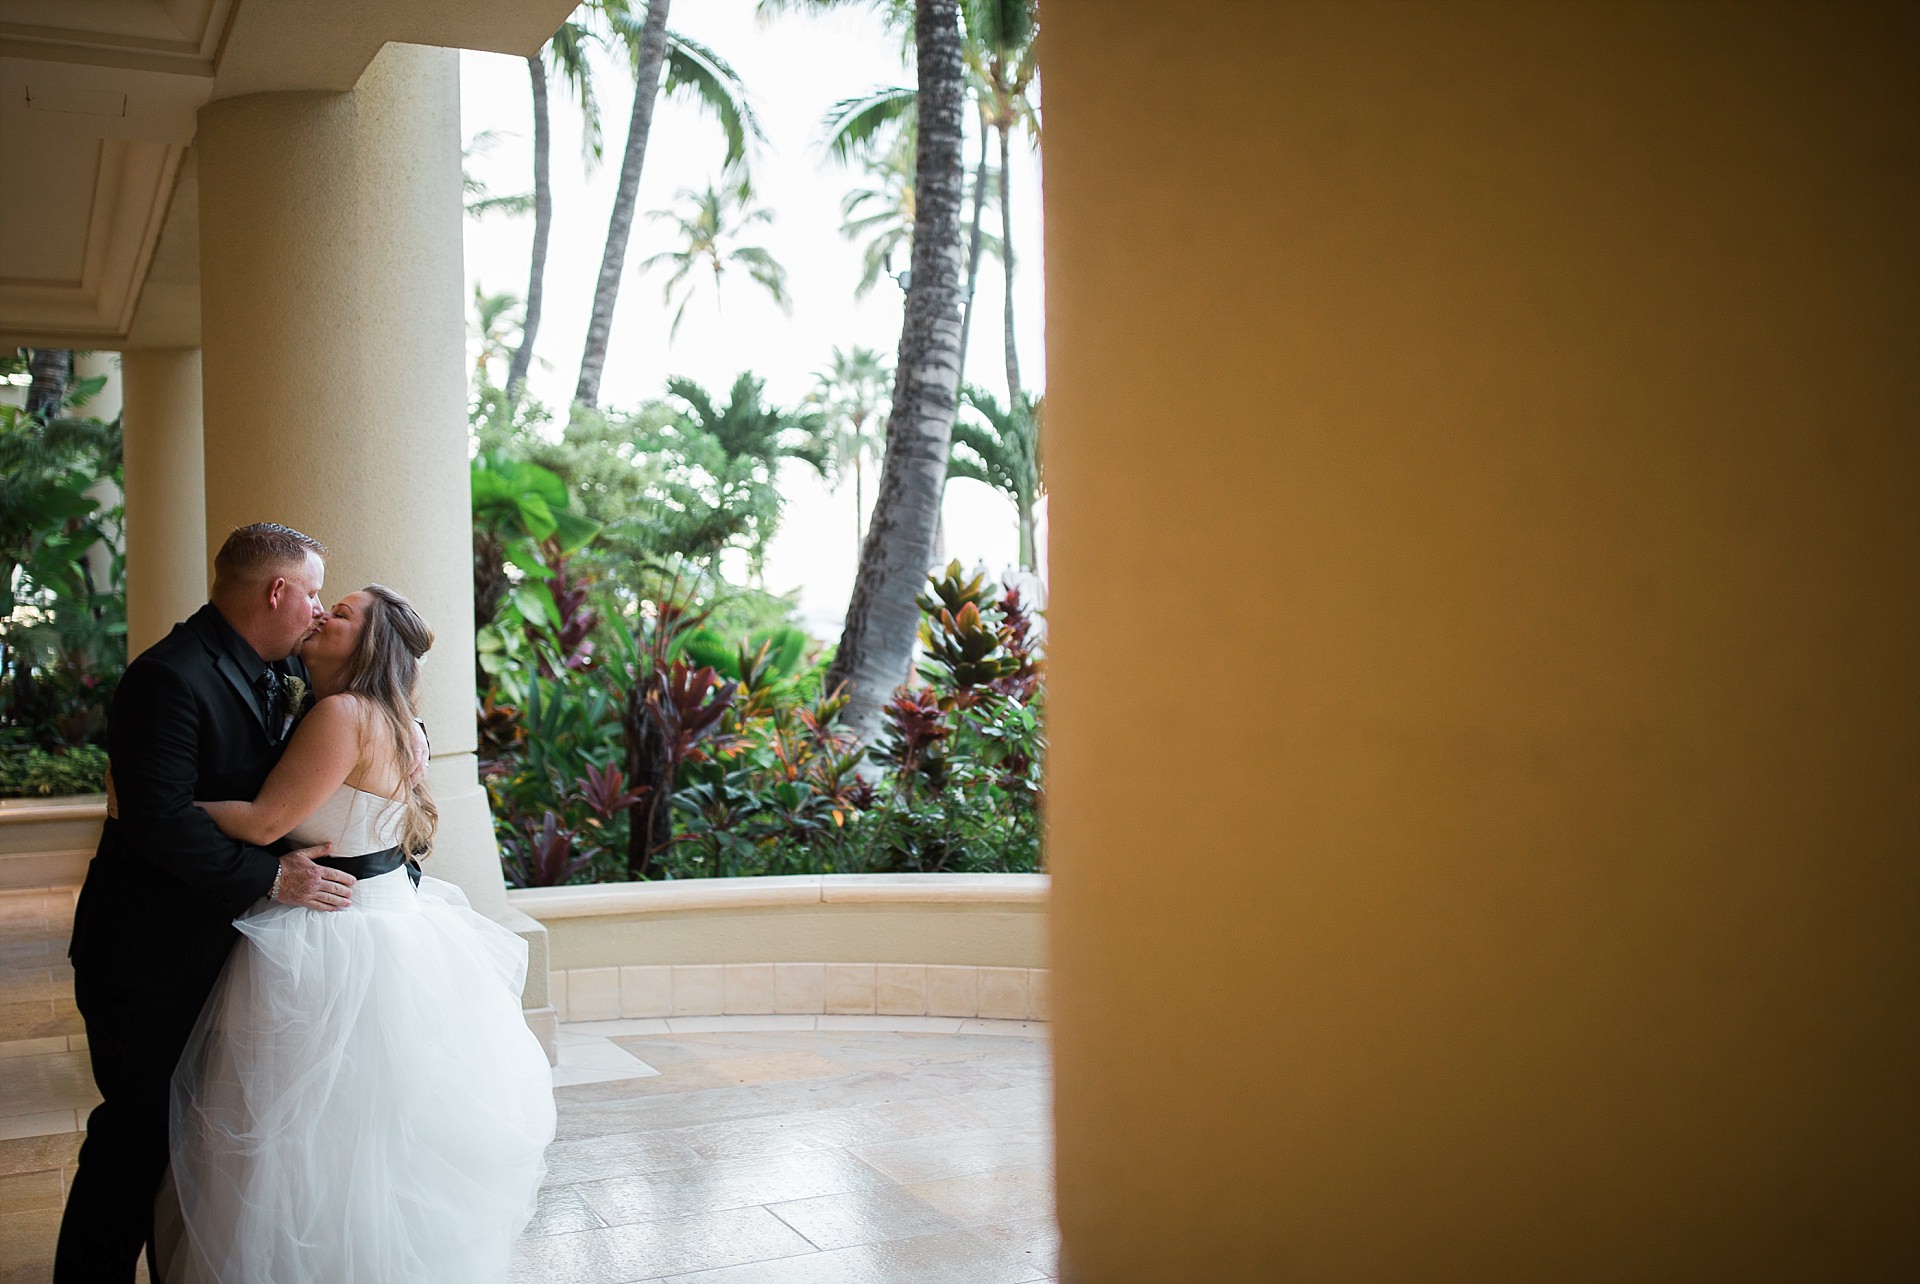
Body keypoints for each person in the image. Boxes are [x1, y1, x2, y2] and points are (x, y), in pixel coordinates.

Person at [165, 583, 555, 1284]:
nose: (320, 614)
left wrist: (163, 801)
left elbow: (260, 823)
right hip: (389, 921)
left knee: (309, 1142)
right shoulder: (400, 721)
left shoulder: (343, 713)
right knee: (376, 1141)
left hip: (333, 935)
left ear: (369, 644)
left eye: (339, 613)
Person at [56, 523, 354, 1283]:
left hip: (211, 949)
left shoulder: (265, 670)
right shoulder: (170, 675)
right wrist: (271, 878)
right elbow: (154, 819)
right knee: (134, 1137)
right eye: (313, 592)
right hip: (145, 954)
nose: (318, 610)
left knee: (188, 1140)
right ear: (277, 591)